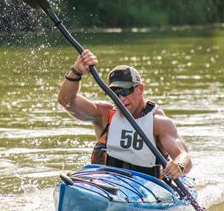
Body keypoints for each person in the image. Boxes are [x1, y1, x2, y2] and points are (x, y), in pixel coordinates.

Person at [57, 49, 192, 180]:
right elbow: (66, 101)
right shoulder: (104, 115)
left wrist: (179, 165)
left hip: (148, 191)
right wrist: (76, 71)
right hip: (107, 184)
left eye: (126, 91)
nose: (121, 98)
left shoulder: (159, 123)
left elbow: (183, 155)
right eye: (115, 93)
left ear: (140, 89)